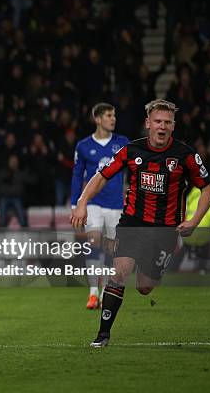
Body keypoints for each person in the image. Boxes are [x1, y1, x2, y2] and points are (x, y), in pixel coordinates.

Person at [71, 99, 210, 347]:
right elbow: (102, 175)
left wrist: (194, 220)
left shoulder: (186, 155)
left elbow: (208, 189)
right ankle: (102, 335)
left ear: (173, 126)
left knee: (145, 287)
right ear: (148, 123)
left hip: (165, 231)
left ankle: (142, 265)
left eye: (167, 122)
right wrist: (82, 201)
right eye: (157, 121)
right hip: (132, 224)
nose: (162, 127)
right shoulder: (131, 150)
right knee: (119, 274)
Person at [70, 103, 129, 309]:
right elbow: (77, 175)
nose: (113, 119)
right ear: (97, 119)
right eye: (109, 115)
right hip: (94, 203)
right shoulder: (84, 146)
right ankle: (93, 292)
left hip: (115, 204)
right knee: (94, 241)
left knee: (111, 248)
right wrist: (75, 203)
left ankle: (105, 292)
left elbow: (133, 170)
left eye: (114, 115)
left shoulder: (123, 143)